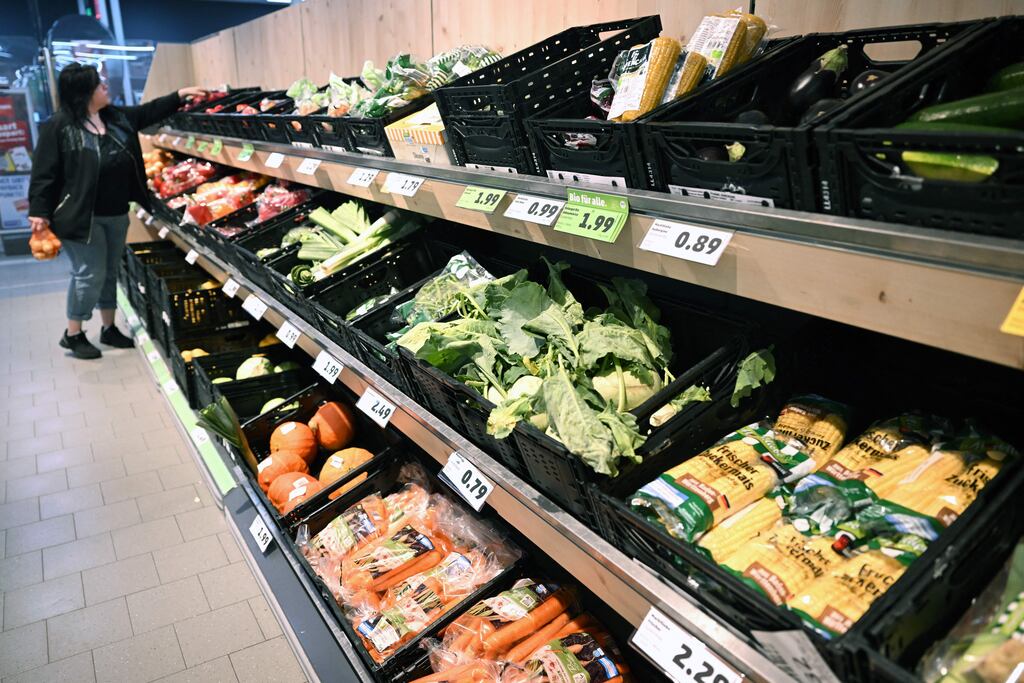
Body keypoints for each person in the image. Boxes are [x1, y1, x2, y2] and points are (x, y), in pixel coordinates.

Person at [28, 62, 206, 359]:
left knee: (110, 270)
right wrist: (39, 211)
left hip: (116, 212)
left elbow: (149, 111)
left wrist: (179, 95)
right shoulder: (59, 127)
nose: (105, 88)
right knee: (89, 273)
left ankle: (108, 328)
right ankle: (73, 333)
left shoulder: (116, 118)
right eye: (100, 85)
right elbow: (43, 173)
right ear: (84, 93)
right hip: (79, 217)